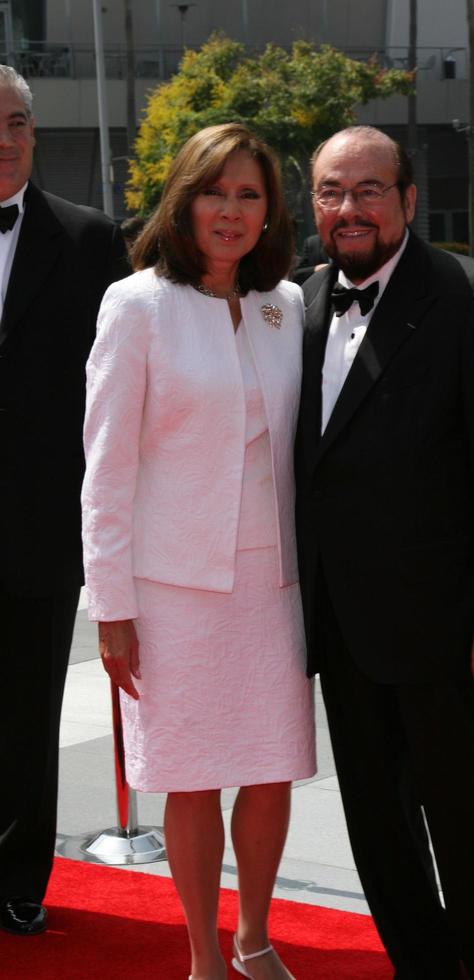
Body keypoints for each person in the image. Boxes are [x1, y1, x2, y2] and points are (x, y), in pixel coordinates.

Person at [295, 125, 474, 979]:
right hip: (346, 631)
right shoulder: (298, 302)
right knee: (382, 838)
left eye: (370, 189)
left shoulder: (472, 296)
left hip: (459, 636)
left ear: (409, 200)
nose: (350, 208)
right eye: (333, 191)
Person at [82, 123, 315, 980]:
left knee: (268, 769)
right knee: (189, 775)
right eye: (215, 191)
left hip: (272, 580)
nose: (231, 210)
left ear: (269, 212)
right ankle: (203, 957)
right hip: (172, 586)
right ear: (184, 199)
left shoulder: (284, 306)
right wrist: (112, 606)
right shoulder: (135, 304)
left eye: (249, 194)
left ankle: (255, 942)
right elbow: (103, 468)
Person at [0, 66, 126, 937]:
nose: (3, 138)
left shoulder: (88, 241)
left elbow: (113, 394)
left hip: (39, 526)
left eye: (15, 121)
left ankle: (17, 876)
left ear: (34, 134)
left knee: (25, 712)